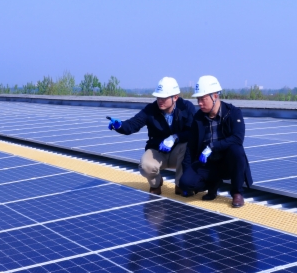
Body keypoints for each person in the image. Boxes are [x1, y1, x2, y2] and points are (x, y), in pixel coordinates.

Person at [108, 77, 197, 195]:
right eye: (158, 97)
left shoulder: (186, 107)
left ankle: (180, 184)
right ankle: (156, 183)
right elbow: (133, 124)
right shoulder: (151, 109)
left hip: (178, 152)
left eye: (164, 98)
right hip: (158, 150)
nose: (160, 100)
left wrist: (175, 137)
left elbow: (193, 132)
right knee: (145, 166)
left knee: (188, 146)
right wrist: (120, 126)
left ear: (175, 97)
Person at [179, 75, 253, 208]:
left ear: (215, 96)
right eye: (198, 99)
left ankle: (237, 193)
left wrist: (213, 146)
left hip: (227, 162)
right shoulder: (198, 117)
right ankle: (213, 184)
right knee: (185, 183)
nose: (199, 103)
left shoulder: (233, 113)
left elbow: (237, 138)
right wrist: (186, 175)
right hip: (208, 163)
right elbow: (191, 146)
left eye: (203, 99)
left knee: (236, 150)